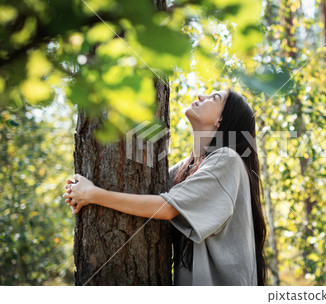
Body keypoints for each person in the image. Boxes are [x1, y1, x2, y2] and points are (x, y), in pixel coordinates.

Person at [63, 89, 268, 286]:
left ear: (221, 120)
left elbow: (167, 207)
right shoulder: (187, 168)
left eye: (214, 98)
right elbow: (149, 197)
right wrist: (80, 191)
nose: (201, 96)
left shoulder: (228, 160)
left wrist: (93, 194)